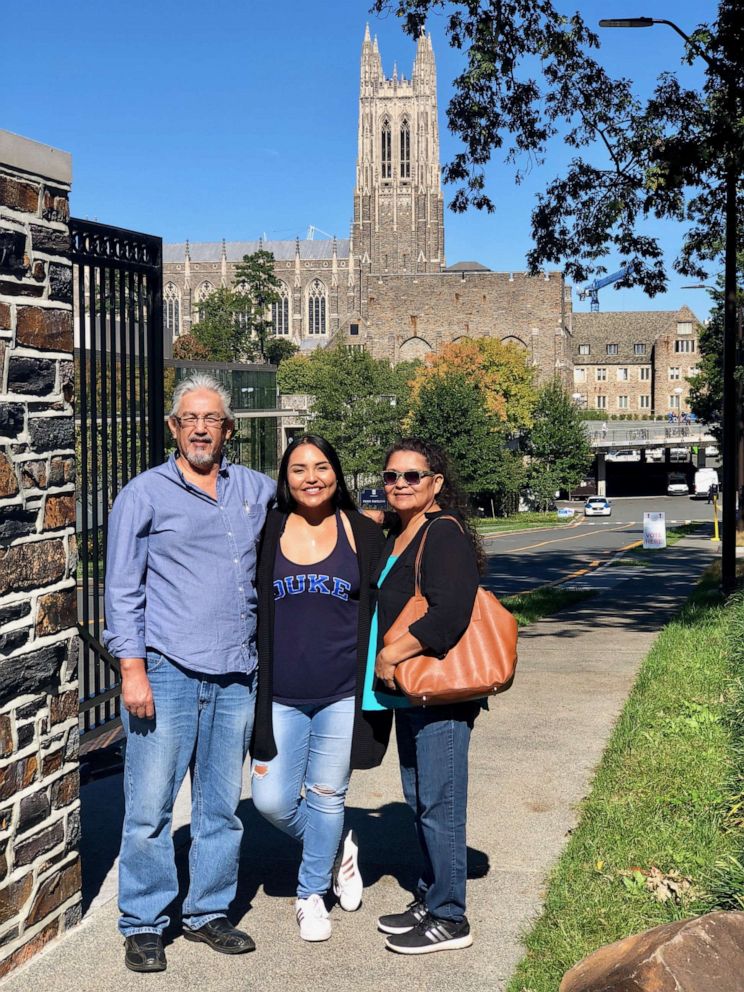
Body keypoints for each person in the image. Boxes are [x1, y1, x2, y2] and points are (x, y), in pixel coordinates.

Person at [103, 373, 275, 973]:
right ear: (174, 427)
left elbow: (316, 514)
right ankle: (144, 922)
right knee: (150, 808)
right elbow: (122, 588)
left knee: (220, 807)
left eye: (213, 420)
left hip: (235, 674)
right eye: (189, 419)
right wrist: (132, 669)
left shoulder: (256, 490)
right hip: (166, 672)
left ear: (228, 429)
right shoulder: (143, 495)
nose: (201, 428)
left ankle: (207, 912)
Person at [251, 435, 391, 942]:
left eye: (321, 466)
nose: (311, 477)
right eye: (298, 469)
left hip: (342, 694)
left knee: (329, 796)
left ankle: (310, 894)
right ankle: (336, 851)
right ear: (284, 479)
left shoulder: (362, 534)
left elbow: (392, 595)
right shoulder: (266, 531)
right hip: (280, 696)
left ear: (337, 473)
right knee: (270, 800)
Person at [366, 438, 484, 955]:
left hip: (439, 691)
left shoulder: (444, 533)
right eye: (392, 476)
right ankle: (429, 894)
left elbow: (449, 613)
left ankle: (450, 916)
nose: (399, 484)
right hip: (413, 693)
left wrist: (391, 654)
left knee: (441, 802)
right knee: (420, 799)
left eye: (413, 476)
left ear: (436, 482)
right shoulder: (400, 532)